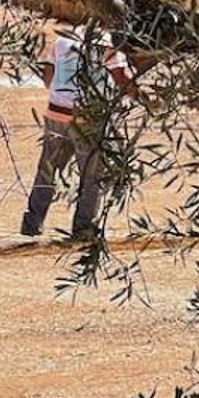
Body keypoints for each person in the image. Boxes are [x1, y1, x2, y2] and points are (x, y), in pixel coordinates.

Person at [20, 25, 138, 240]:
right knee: (92, 175)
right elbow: (122, 78)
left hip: (56, 113)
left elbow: (48, 80)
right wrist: (143, 98)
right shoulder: (107, 43)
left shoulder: (62, 40)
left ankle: (32, 221)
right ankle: (84, 227)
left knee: (48, 168)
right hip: (86, 118)